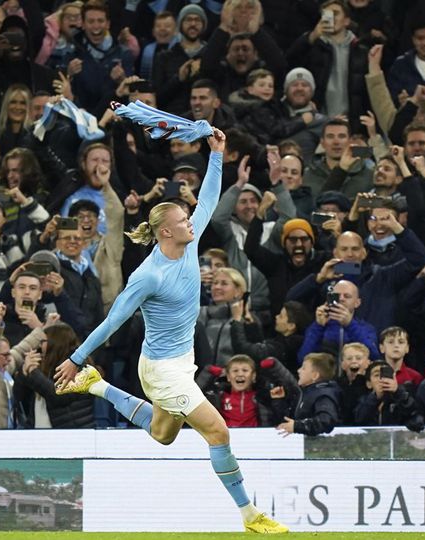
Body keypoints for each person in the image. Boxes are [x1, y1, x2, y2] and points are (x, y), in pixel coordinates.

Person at [54, 127, 288, 534]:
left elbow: (211, 199)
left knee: (163, 435)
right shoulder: (148, 275)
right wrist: (74, 358)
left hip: (180, 362)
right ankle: (250, 516)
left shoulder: (188, 243)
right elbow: (112, 322)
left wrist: (216, 154)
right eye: (183, 218)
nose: (191, 220)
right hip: (161, 370)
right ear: (166, 231)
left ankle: (97, 386)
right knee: (217, 431)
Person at [271, 352, 341, 436]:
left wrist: (297, 426)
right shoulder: (305, 393)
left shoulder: (324, 395)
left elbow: (326, 421)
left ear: (315, 376)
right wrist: (279, 401)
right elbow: (289, 421)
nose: (298, 370)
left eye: (303, 368)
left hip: (322, 447)